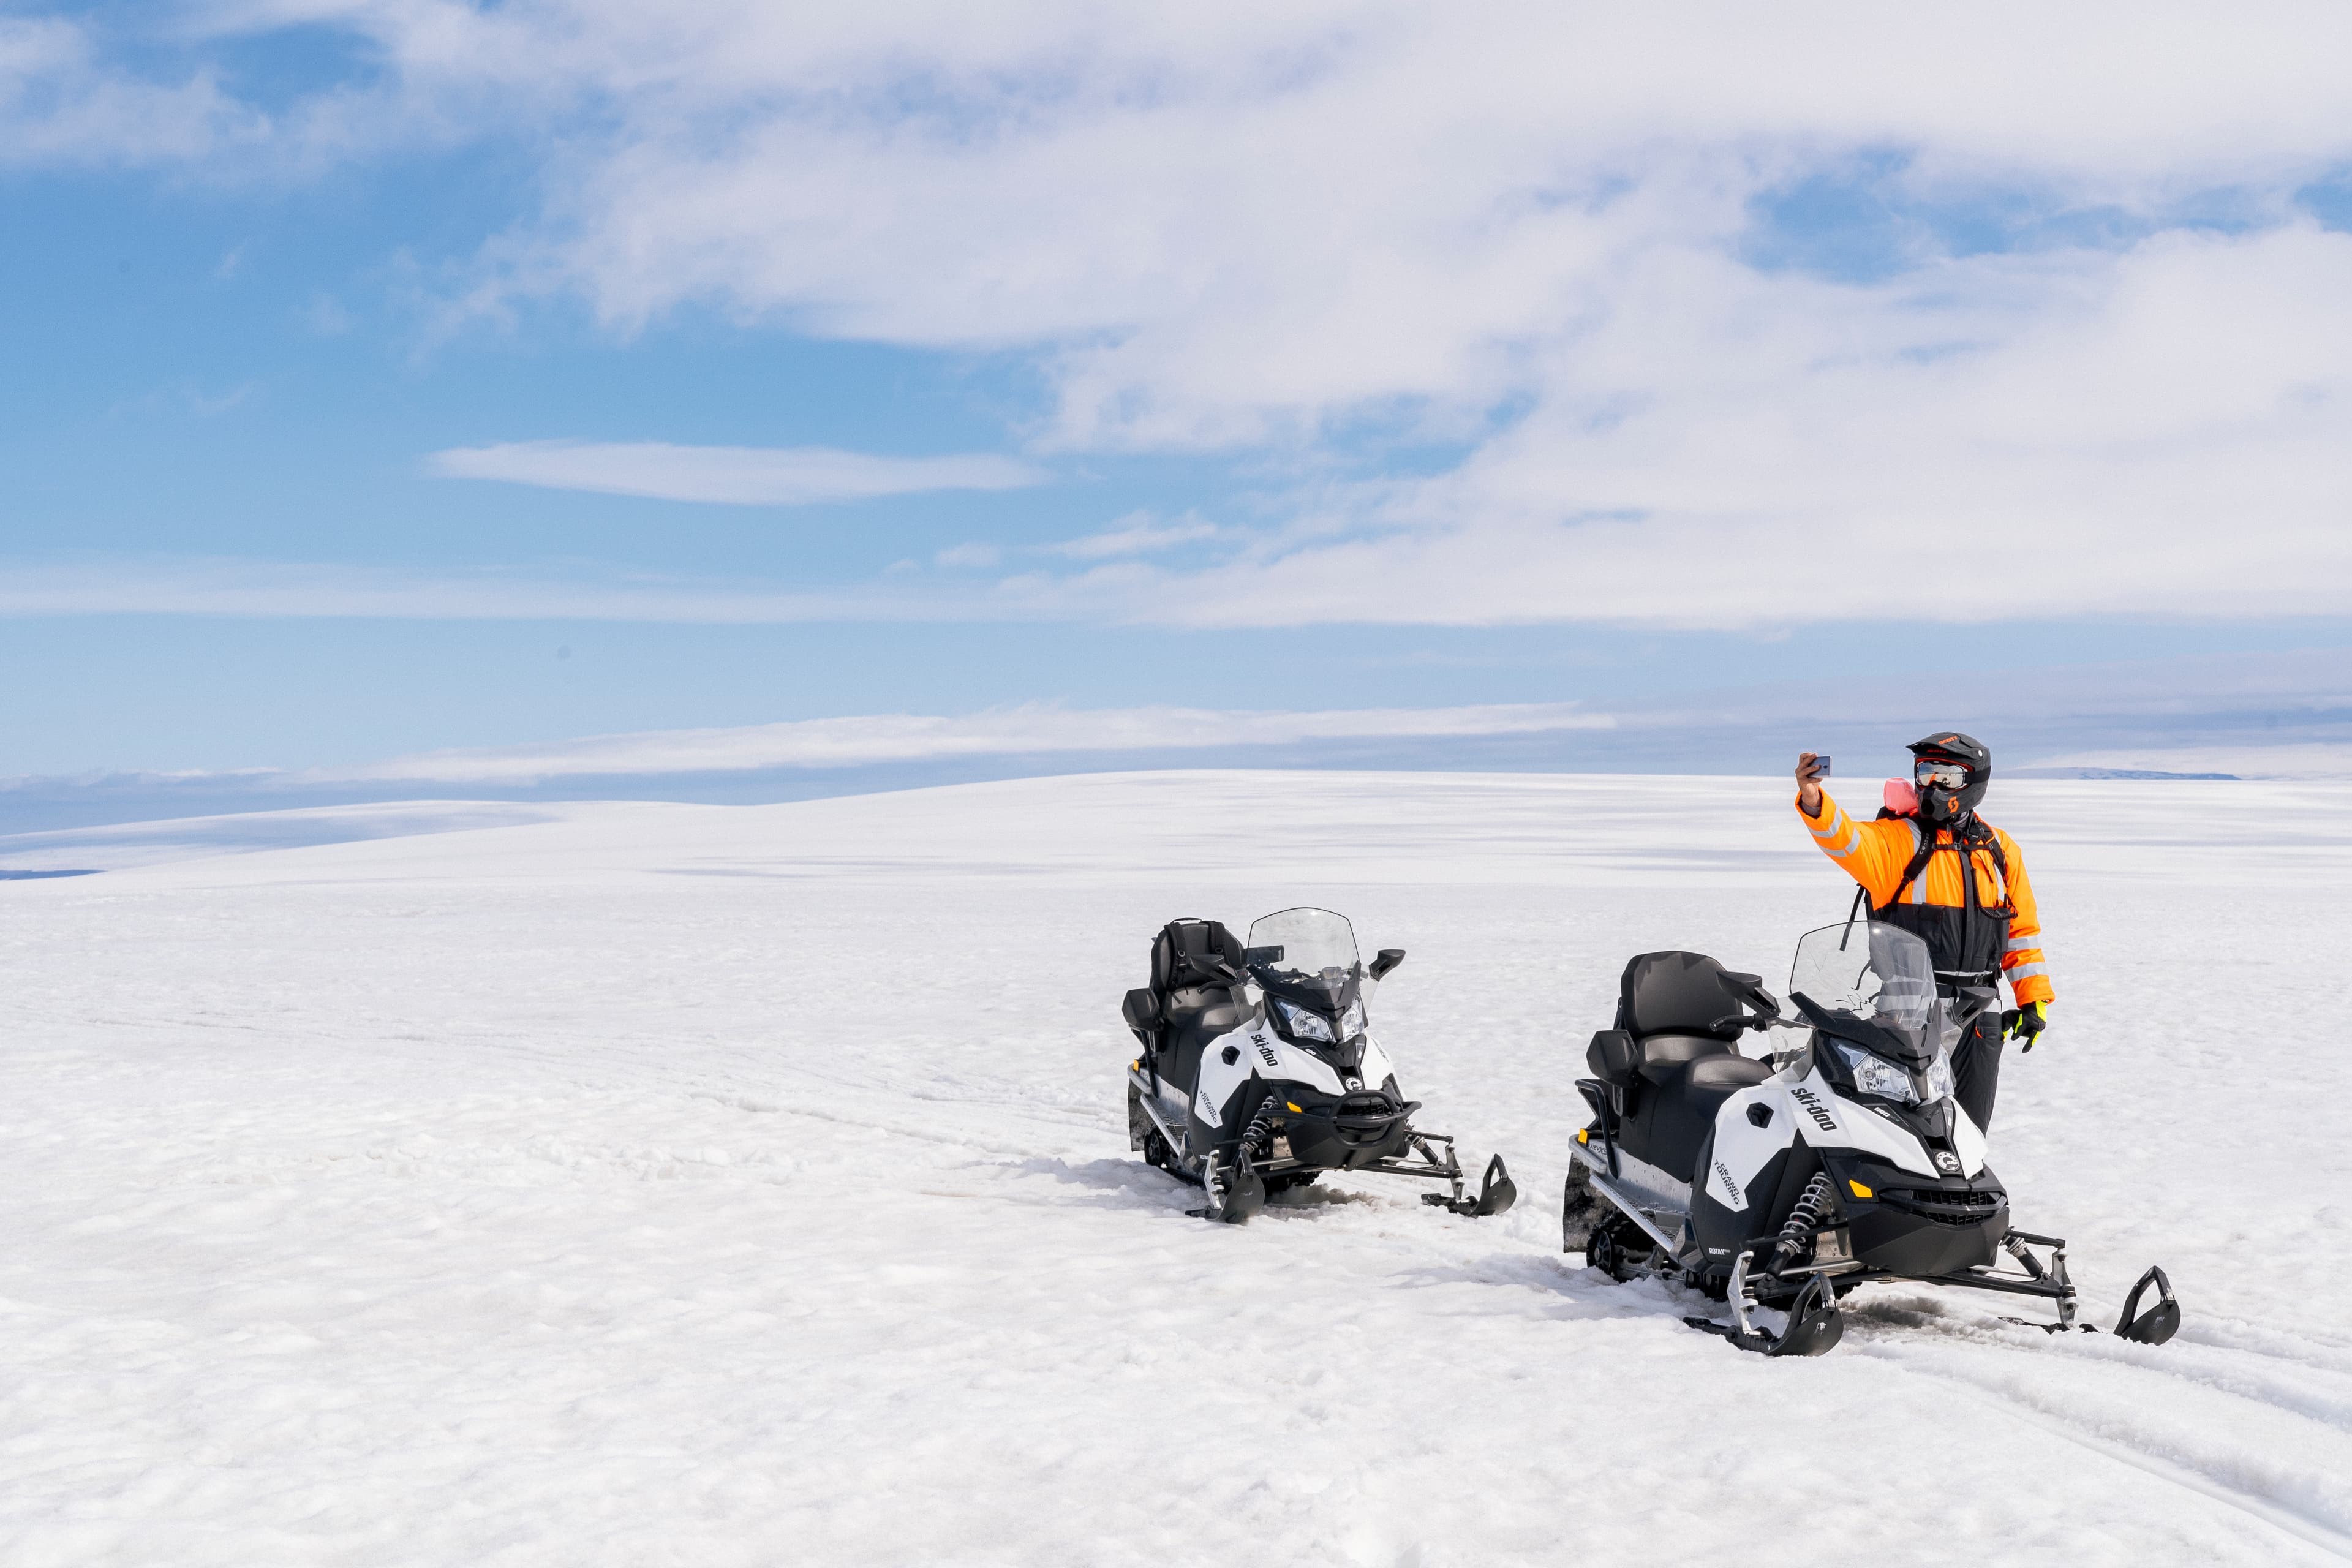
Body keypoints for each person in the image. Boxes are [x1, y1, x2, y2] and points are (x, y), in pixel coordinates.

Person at [1793, 733, 2051, 1132]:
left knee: (1969, 1133)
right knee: (1904, 1131)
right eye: (1926, 772)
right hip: (1909, 1013)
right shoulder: (1899, 840)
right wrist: (1814, 801)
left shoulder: (2000, 850)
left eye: (1947, 776)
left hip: (1982, 1012)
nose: (1933, 784)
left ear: (1973, 782)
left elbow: (2021, 933)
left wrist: (2033, 999)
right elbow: (1846, 840)